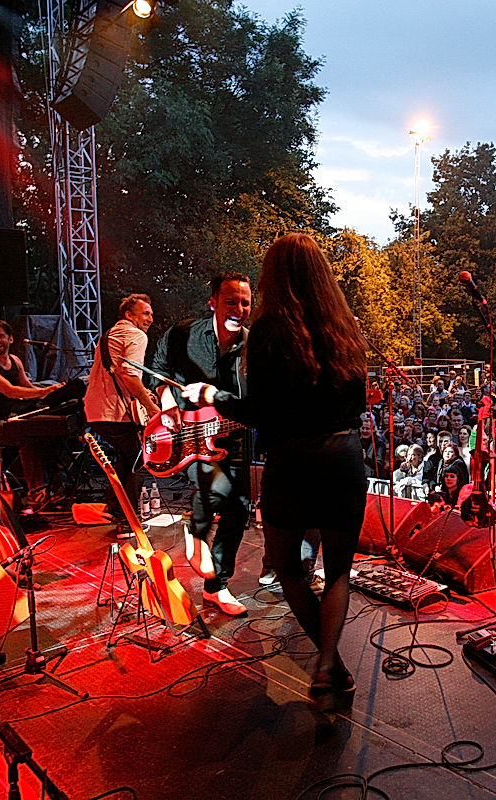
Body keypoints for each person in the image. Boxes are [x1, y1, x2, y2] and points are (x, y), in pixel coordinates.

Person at [182, 233, 367, 710]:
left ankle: (332, 666)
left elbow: (259, 410)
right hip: (343, 457)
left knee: (287, 567)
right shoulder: (345, 326)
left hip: (293, 462)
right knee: (339, 571)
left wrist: (212, 396)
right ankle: (328, 665)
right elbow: (360, 402)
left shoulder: (268, 331)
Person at [150, 271, 255, 616]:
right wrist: (168, 406)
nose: (239, 308)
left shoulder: (253, 347)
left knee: (239, 509)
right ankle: (197, 534)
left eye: (245, 302)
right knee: (214, 487)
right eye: (231, 301)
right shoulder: (183, 334)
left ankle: (216, 587)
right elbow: (158, 371)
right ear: (213, 302)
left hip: (233, 434)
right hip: (186, 432)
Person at [0, 320, 65, 508]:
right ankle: (36, 493)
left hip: (8, 418)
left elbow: (27, 389)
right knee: (28, 437)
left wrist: (54, 394)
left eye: (1, 336)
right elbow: (10, 391)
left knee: (49, 434)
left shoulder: (15, 360)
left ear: (10, 339)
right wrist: (44, 392)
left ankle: (55, 488)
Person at [83, 294, 159, 523]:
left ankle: (114, 507)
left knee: (128, 458)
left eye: (151, 314)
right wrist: (152, 407)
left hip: (96, 410)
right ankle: (128, 518)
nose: (150, 319)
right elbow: (130, 376)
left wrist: (143, 392)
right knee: (143, 459)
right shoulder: (135, 335)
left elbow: (116, 372)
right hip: (115, 411)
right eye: (145, 313)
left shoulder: (108, 336)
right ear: (129, 314)